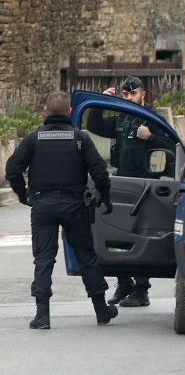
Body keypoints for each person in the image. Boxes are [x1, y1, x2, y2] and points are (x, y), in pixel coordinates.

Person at [4, 90, 119, 329]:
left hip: (43, 206)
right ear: (69, 113)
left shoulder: (33, 139)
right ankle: (101, 310)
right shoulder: (80, 139)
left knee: (43, 259)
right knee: (86, 257)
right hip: (74, 205)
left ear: (45, 111)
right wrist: (104, 196)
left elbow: (12, 169)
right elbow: (99, 171)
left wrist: (23, 194)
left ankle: (42, 316)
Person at [86, 75, 173, 308]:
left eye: (132, 94)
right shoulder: (122, 118)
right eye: (125, 94)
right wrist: (99, 104)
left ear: (143, 94)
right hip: (122, 185)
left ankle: (142, 290)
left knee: (140, 236)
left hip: (145, 186)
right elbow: (95, 126)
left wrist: (151, 137)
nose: (129, 98)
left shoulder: (152, 118)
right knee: (117, 237)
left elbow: (171, 149)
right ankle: (124, 283)